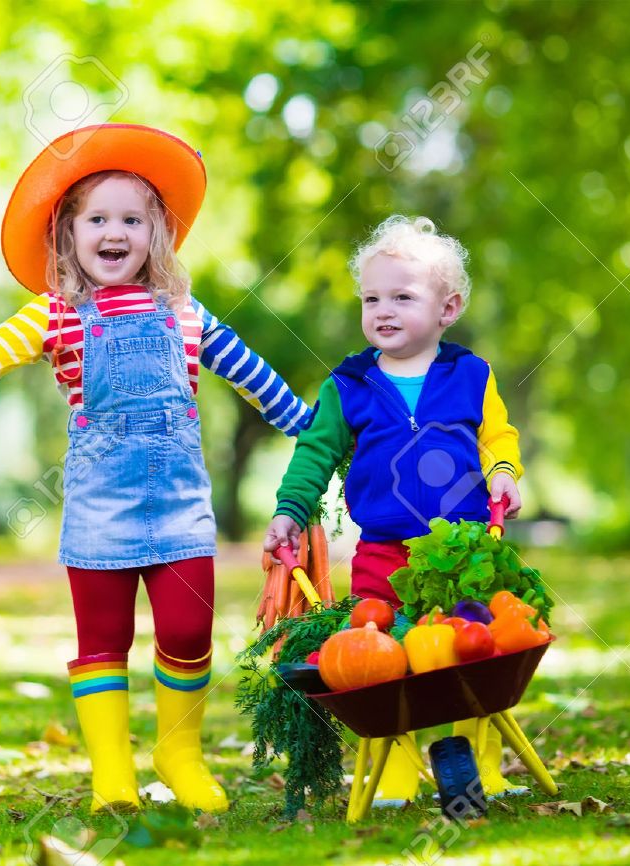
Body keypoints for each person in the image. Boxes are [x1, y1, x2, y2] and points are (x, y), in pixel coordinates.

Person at [0, 124, 311, 814]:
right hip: (99, 509)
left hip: (180, 509)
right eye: (98, 219)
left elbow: (259, 380)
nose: (116, 233)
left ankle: (179, 753)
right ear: (68, 233)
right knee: (102, 642)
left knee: (187, 633)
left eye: (132, 220)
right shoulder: (55, 316)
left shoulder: (186, 314)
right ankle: (112, 770)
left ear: (157, 233)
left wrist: (314, 429)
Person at [263, 214, 524, 804]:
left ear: (447, 309)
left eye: (402, 297)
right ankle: (398, 772)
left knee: (475, 654)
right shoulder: (348, 384)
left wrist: (504, 474)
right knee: (380, 659)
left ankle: (484, 768)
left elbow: (497, 437)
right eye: (371, 298)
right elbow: (315, 453)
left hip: (464, 550)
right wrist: (288, 509)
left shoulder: (470, 374)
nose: (382, 310)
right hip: (381, 550)